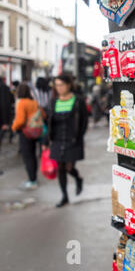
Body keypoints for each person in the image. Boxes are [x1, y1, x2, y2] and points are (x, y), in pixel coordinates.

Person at [43, 75, 88, 207]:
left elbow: (83, 122)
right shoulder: (53, 101)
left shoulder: (78, 100)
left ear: (69, 85)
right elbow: (49, 123)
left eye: (61, 84)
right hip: (57, 139)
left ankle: (78, 179)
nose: (59, 88)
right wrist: (46, 142)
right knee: (60, 169)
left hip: (72, 140)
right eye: (57, 85)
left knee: (69, 167)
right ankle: (64, 196)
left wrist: (79, 138)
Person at [11, 82, 42, 189]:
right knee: (33, 155)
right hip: (35, 131)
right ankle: (34, 178)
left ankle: (32, 180)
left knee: (27, 156)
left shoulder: (21, 103)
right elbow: (42, 114)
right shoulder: (33, 102)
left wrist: (13, 127)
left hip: (25, 132)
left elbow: (20, 120)